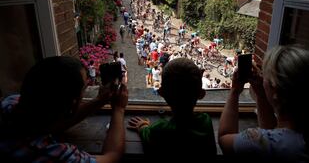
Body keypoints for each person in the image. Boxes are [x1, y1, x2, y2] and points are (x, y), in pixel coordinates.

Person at [218, 45, 309, 162]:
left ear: (276, 91)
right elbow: (272, 131)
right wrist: (261, 94)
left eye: (265, 73)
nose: (261, 75)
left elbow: (224, 139)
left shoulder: (255, 141)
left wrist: (234, 92)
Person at [0, 56, 128, 162]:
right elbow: (111, 157)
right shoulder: (53, 154)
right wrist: (119, 109)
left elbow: (52, 124)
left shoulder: (11, 103)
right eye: (84, 88)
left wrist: (99, 101)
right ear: (72, 104)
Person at [127, 58, 217, 158]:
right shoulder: (205, 121)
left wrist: (142, 125)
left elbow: (147, 134)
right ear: (201, 94)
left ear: (161, 93)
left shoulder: (159, 129)